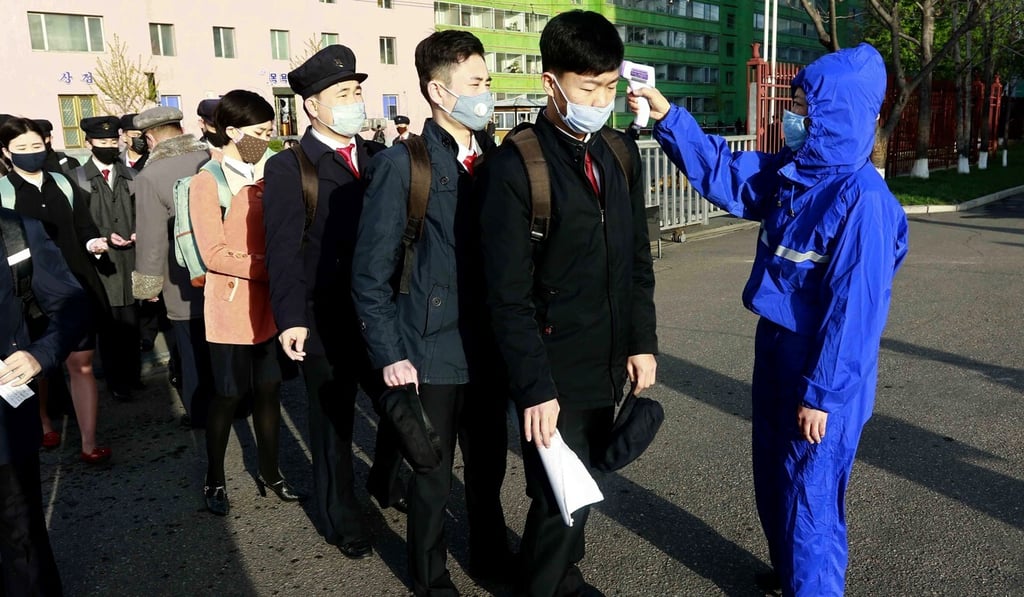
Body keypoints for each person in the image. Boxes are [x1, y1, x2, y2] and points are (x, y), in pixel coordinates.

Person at [632, 43, 908, 595]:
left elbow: (854, 317)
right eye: (798, 104)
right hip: (779, 347)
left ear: (838, 115)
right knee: (776, 476)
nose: (796, 117)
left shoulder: (863, 202)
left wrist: (823, 396)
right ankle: (791, 575)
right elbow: (731, 175)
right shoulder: (798, 173)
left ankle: (812, 586)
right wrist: (668, 117)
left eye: (807, 108)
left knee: (811, 495)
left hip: (821, 365)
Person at [475, 11, 658, 596]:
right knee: (559, 495)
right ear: (551, 82)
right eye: (588, 87)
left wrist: (642, 342)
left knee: (581, 489)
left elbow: (636, 263)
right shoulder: (516, 166)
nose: (601, 99)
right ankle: (544, 583)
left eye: (609, 86)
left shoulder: (620, 154)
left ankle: (559, 574)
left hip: (609, 361)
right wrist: (534, 388)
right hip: (554, 367)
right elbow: (506, 297)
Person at [352, 30, 511, 595]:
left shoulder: (494, 159)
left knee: (489, 468)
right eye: (477, 83)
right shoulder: (404, 165)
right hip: (428, 346)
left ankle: (491, 556)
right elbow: (369, 272)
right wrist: (390, 355)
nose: (487, 93)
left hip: (488, 345)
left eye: (487, 82)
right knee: (432, 475)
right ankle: (430, 576)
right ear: (439, 93)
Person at [263, 44, 391, 559]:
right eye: (343, 93)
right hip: (324, 319)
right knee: (333, 424)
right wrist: (291, 319)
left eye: (358, 91)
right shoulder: (291, 168)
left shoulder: (381, 158)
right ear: (313, 106)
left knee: (402, 412)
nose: (355, 101)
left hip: (380, 318)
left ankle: (384, 481)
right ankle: (342, 515)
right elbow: (283, 253)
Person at [190, 89, 302, 516]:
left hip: (270, 306)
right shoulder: (208, 181)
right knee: (228, 393)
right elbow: (212, 253)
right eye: (258, 132)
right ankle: (214, 478)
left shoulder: (274, 172)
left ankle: (272, 472)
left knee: (270, 390)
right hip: (231, 305)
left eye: (270, 131)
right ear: (231, 131)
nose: (266, 138)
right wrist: (274, 265)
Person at [0, 117, 113, 465]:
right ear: (6, 152)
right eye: (22, 149)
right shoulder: (4, 192)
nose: (32, 154)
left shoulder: (63, 183)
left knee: (82, 363)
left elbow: (84, 225)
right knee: (40, 364)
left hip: (73, 284)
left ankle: (89, 442)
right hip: (28, 293)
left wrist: (95, 241)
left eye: (37, 146)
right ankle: (44, 422)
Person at [0, 206, 89, 596]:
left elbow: (72, 304)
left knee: (22, 539)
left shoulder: (15, 231)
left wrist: (41, 353)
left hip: (5, 419)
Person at [131, 106, 214, 429]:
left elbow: (151, 238)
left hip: (182, 277)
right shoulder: (211, 158)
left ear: (150, 138)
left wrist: (148, 286)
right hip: (225, 271)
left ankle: (200, 412)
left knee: (191, 350)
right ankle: (238, 401)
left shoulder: (150, 176)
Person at [73, 116, 141, 402]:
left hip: (131, 260)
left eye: (113, 141)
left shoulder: (131, 175)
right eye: (102, 142)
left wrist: (139, 231)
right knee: (110, 327)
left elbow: (141, 209)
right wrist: (103, 236)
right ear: (89, 143)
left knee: (132, 322)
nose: (109, 146)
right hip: (102, 265)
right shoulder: (78, 179)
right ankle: (117, 381)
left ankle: (134, 377)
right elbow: (79, 222)